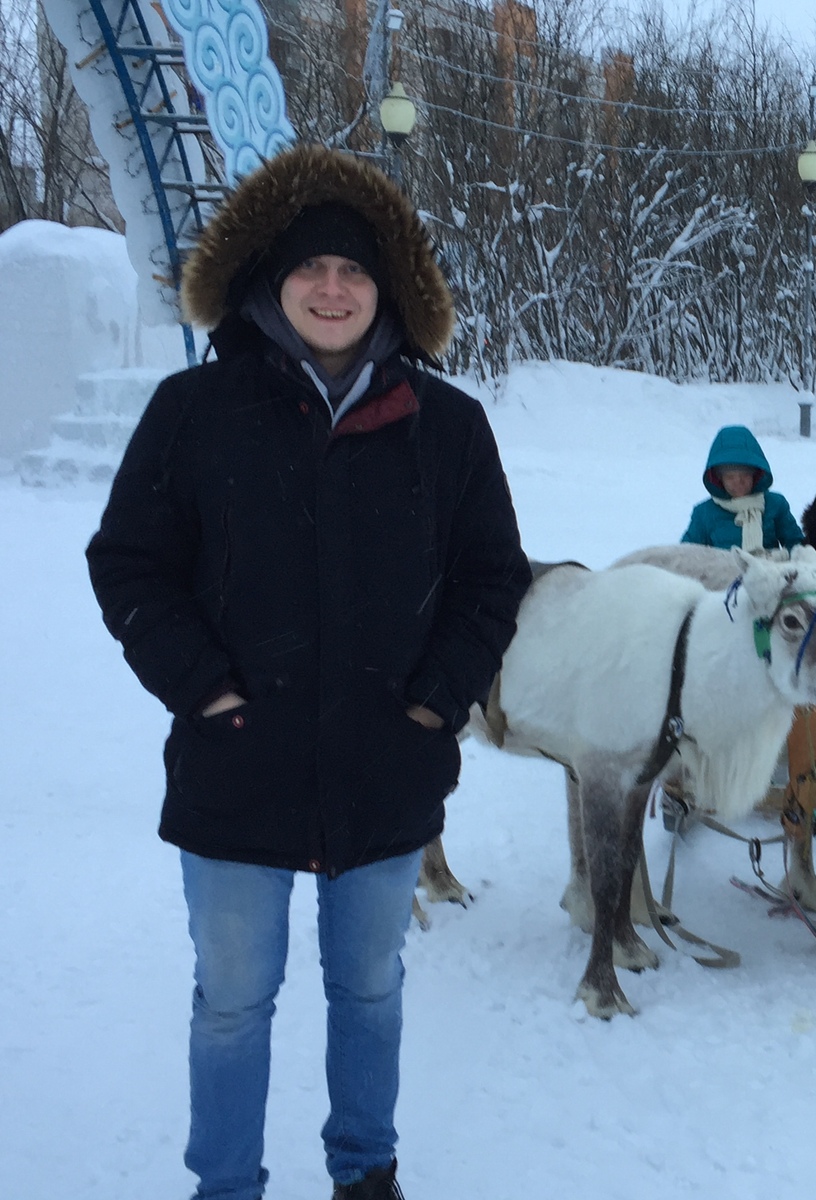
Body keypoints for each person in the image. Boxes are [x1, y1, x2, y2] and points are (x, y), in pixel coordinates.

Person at [84, 144, 533, 1200]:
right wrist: (206, 688)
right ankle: (227, 1184)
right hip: (235, 764)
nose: (332, 290)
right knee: (233, 1000)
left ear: (386, 291)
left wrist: (435, 703)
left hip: (386, 767)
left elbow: (491, 578)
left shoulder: (449, 428)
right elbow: (129, 562)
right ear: (270, 282)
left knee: (369, 988)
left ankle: (363, 1169)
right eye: (311, 271)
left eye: (355, 273)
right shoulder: (192, 414)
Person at [681, 424, 804, 553]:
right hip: (723, 573)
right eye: (730, 477)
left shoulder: (775, 505)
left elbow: (797, 546)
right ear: (719, 478)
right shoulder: (704, 513)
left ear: (755, 475)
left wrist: (780, 558)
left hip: (769, 571)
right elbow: (686, 554)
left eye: (745, 475)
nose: (738, 482)